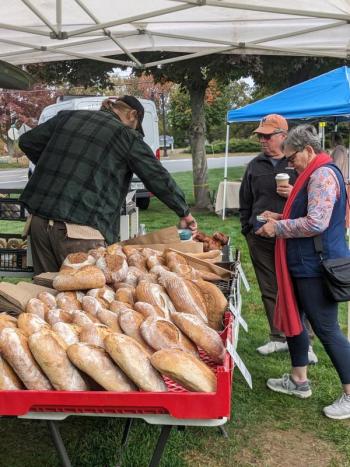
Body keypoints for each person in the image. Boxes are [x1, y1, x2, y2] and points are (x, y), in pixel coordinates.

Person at [19, 95, 197, 274]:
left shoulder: (67, 117)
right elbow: (157, 176)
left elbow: (27, 141)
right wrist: (184, 212)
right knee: (86, 297)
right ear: (132, 115)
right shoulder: (126, 136)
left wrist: (53, 166)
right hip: (81, 231)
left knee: (46, 294)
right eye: (136, 127)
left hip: (39, 222)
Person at [257, 124, 350, 420]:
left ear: (308, 151)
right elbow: (308, 215)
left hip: (317, 266)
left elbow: (316, 223)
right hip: (306, 263)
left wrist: (278, 227)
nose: (290, 164)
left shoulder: (322, 174)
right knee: (296, 320)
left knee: (326, 329)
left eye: (293, 158)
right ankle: (299, 380)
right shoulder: (314, 172)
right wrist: (281, 215)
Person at [239, 114, 317, 363]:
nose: (262, 140)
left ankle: (306, 343)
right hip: (261, 237)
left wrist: (292, 193)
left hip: (292, 236)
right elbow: (245, 201)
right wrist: (247, 228)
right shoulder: (254, 165)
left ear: (284, 135)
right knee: (269, 288)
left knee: (299, 289)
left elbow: (313, 204)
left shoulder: (299, 163)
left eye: (267, 136)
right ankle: (277, 336)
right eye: (260, 136)